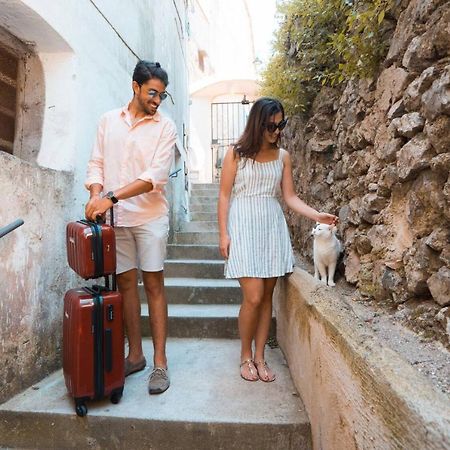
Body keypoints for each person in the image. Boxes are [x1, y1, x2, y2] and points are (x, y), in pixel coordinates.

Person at [218, 97, 338, 382]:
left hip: (271, 225)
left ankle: (260, 357)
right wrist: (223, 233)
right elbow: (224, 195)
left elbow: (290, 197)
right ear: (257, 123)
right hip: (243, 223)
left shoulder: (283, 156)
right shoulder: (235, 154)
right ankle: (245, 356)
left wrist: (317, 215)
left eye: (281, 124)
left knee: (267, 297)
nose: (277, 130)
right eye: (271, 125)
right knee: (254, 296)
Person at [84, 60, 177, 394]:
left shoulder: (165, 128)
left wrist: (109, 197)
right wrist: (96, 195)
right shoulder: (108, 121)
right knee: (125, 284)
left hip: (149, 217)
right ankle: (134, 355)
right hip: (116, 221)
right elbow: (96, 164)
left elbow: (155, 177)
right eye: (153, 92)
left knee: (153, 284)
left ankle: (160, 364)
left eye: (162, 95)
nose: (157, 100)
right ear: (135, 87)